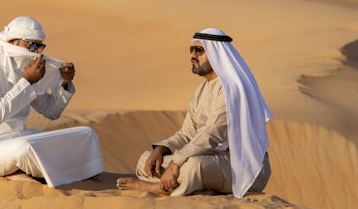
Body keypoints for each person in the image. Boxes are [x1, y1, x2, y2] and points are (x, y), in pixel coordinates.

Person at [116, 28, 272, 197]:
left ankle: (156, 188)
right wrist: (161, 150)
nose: (193, 55)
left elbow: (212, 134)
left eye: (199, 50)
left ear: (216, 53)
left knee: (194, 166)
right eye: (191, 50)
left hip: (242, 165)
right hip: (210, 158)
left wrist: (176, 163)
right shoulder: (202, 89)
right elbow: (187, 133)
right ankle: (198, 188)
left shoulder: (232, 88)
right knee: (146, 160)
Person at [0, 16, 105, 187]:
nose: (36, 52)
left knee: (86, 134)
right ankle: (35, 172)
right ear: (13, 41)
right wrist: (27, 82)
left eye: (40, 46)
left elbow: (51, 111)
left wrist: (64, 84)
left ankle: (30, 171)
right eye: (32, 45)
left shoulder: (25, 68)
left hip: (18, 136)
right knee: (24, 148)